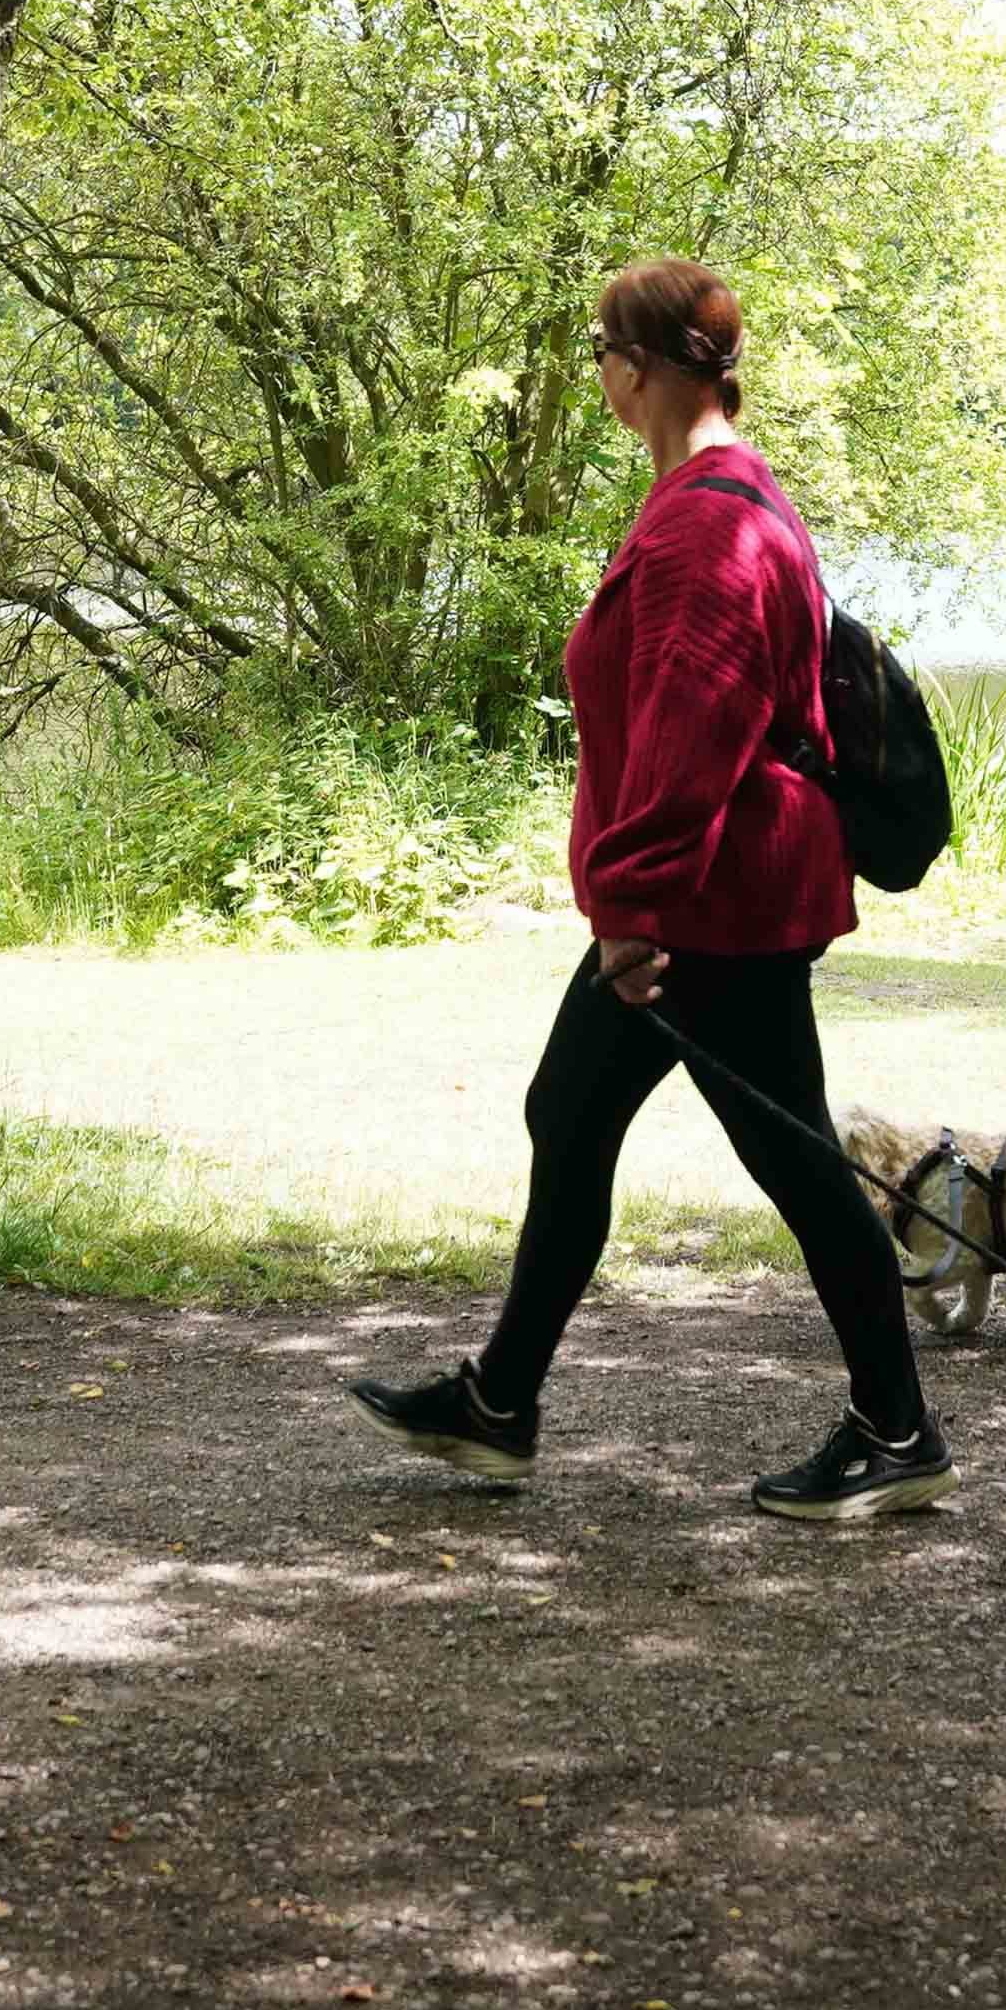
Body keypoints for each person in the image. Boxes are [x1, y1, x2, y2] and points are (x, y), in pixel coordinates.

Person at [348, 259, 951, 1519]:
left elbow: (694, 727)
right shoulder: (723, 495)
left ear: (636, 367)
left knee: (785, 1155)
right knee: (571, 1114)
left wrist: (627, 905)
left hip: (706, 902)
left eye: (599, 354)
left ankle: (896, 1430)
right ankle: (497, 1403)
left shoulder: (709, 523)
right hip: (713, 890)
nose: (597, 376)